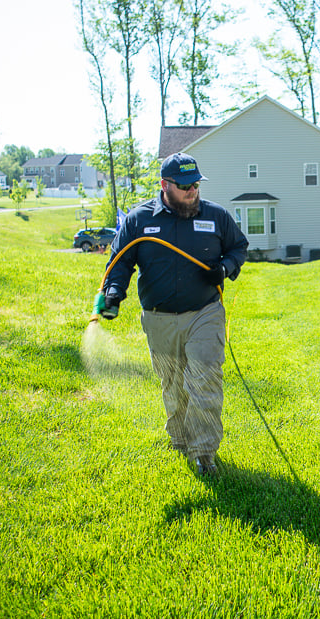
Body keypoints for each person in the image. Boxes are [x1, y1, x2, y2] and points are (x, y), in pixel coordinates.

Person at [97, 152, 249, 476]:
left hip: (204, 313)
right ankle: (180, 442)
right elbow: (119, 262)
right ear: (164, 185)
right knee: (174, 385)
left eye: (195, 184)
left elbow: (239, 247)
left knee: (205, 379)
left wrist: (225, 267)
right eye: (184, 186)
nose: (192, 190)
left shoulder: (216, 216)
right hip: (159, 319)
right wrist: (113, 293)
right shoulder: (139, 220)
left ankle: (205, 455)